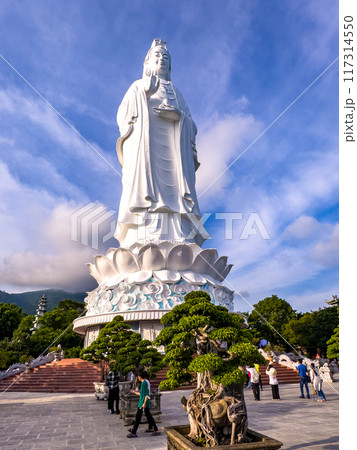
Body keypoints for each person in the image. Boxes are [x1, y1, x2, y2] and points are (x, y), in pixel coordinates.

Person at [115, 38, 208, 248]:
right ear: (147, 61)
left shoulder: (176, 92)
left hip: (174, 155)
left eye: (166, 57)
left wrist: (179, 117)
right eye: (157, 55)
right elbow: (123, 116)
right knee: (145, 189)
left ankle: (181, 238)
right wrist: (144, 93)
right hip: (147, 151)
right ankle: (141, 236)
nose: (162, 59)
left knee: (176, 194)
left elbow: (192, 125)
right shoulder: (137, 87)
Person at [127, 371, 160, 438]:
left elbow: (146, 395)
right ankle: (153, 428)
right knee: (148, 416)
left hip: (143, 402)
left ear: (140, 377)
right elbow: (142, 394)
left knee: (138, 417)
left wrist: (144, 403)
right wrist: (134, 392)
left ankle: (134, 432)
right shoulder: (146, 382)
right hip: (145, 401)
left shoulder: (144, 383)